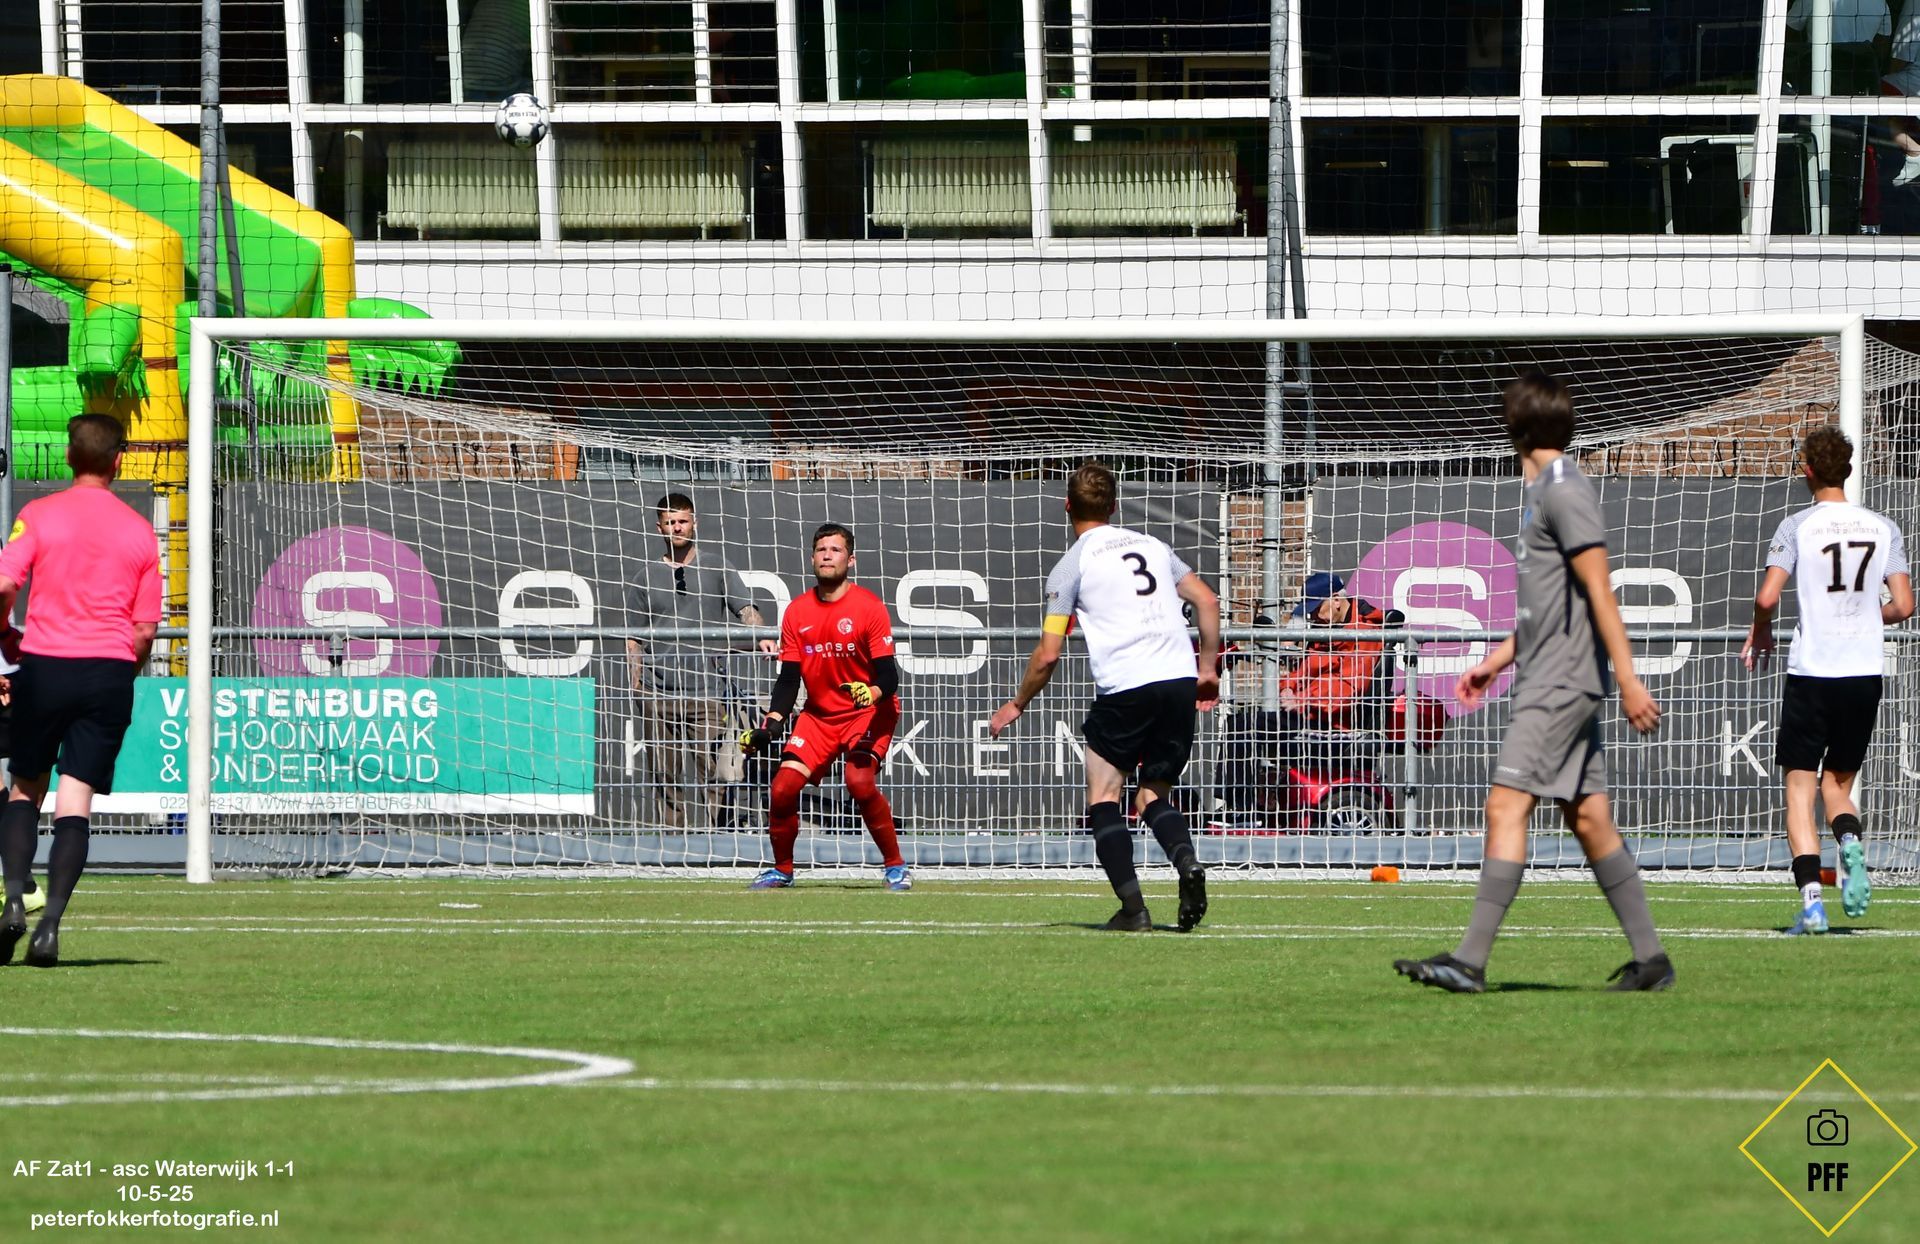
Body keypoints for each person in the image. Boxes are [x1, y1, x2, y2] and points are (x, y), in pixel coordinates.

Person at [1394, 373, 1672, 993]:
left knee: (1505, 805)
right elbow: (1551, 606)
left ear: (1513, 428)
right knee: (1590, 819)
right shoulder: (1544, 489)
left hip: (1559, 683)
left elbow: (1599, 590)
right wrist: (1496, 660)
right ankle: (1652, 961)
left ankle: (1469, 961)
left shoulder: (1564, 489)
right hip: (1552, 674)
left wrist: (1629, 677)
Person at [989, 462, 1221, 932]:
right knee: (1152, 795)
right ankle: (1187, 862)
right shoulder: (1153, 546)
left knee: (1103, 796)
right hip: (1178, 680)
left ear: (1067, 506)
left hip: (1127, 685)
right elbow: (1207, 600)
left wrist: (1017, 703)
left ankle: (1134, 910)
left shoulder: (1070, 566)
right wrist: (1207, 669)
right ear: (1114, 506)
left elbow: (1048, 654)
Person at [0, 414, 161, 967]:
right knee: (76, 799)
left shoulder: (39, 515)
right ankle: (49, 927)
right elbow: (144, 630)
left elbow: (4, 583)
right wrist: (122, 674)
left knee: (25, 789)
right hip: (107, 671)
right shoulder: (139, 530)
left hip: (46, 666)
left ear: (69, 457)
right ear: (119, 460)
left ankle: (14, 899)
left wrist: (4, 632)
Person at [1741, 426, 1912, 935]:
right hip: (1863, 672)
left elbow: (1767, 596)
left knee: (1800, 789)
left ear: (1807, 470)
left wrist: (1761, 630)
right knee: (1838, 785)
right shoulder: (1883, 527)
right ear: (1849, 469)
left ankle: (1813, 903)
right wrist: (1866, 616)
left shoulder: (1798, 526)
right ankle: (1850, 841)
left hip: (1814, 671)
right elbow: (1904, 604)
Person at [740, 522, 910, 891]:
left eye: (835, 550)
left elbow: (889, 676)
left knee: (858, 781)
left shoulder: (869, 607)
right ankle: (782, 870)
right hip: (819, 717)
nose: (827, 556)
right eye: (821, 550)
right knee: (782, 788)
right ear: (812, 558)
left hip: (869, 711)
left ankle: (896, 866)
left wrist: (872, 693)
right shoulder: (797, 612)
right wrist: (770, 727)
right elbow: (789, 680)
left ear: (851, 560)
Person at [626, 493, 776, 829]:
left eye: (683, 520)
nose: (677, 527)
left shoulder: (716, 567)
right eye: (670, 522)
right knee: (665, 777)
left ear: (695, 523)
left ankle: (719, 841)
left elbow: (745, 609)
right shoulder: (644, 577)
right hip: (657, 694)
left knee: (716, 774)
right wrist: (637, 687)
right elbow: (633, 638)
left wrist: (761, 633)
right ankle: (672, 843)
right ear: (659, 528)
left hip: (707, 694)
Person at [1216, 572, 1389, 825]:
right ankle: (1240, 806)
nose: (1313, 615)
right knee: (1240, 721)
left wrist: (1303, 699)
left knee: (1246, 726)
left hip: (1336, 726)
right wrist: (1287, 687)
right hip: (1312, 715)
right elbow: (1303, 671)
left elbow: (1349, 687)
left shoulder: (1365, 633)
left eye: (1317, 608)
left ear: (1336, 600)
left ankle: (1241, 811)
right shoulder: (1327, 630)